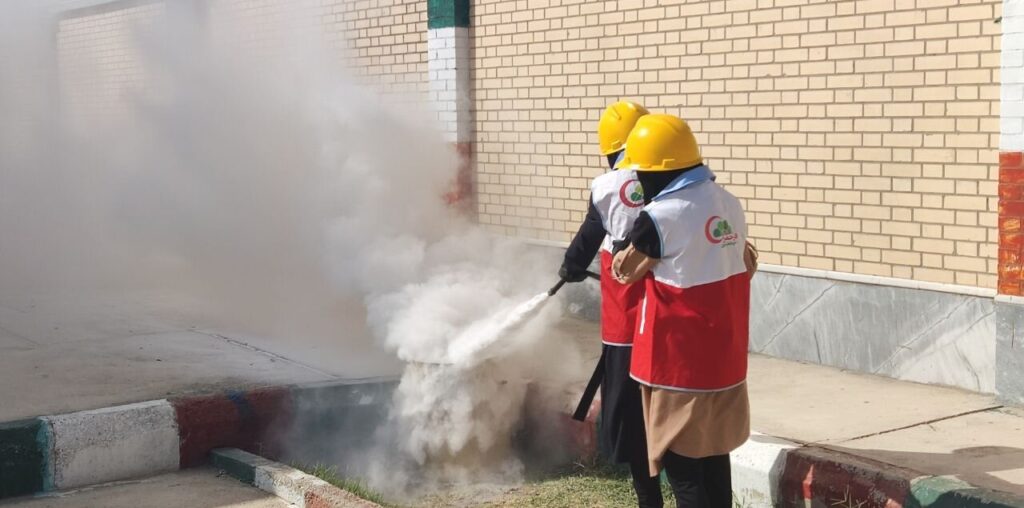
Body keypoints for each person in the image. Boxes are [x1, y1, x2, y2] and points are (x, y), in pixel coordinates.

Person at [610, 114, 758, 508]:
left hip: (677, 366)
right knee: (714, 459)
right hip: (724, 362)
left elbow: (624, 271)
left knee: (684, 473)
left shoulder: (660, 216)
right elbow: (746, 262)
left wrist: (622, 243)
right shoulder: (729, 202)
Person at [560, 100, 664, 508]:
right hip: (665, 323)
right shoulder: (671, 180)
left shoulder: (608, 187)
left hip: (625, 328)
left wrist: (570, 266)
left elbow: (590, 235)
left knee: (630, 421)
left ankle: (648, 499)